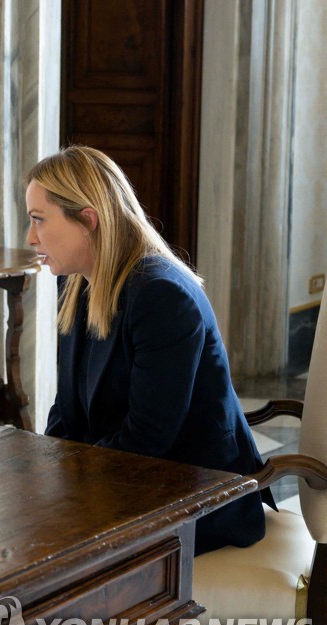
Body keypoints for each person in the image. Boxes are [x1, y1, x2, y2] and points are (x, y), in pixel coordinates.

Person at [25, 145, 271, 555]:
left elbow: (148, 441)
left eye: (38, 220)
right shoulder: (77, 281)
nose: (30, 237)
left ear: (88, 220)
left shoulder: (161, 296)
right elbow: (66, 411)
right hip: (124, 483)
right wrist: (46, 473)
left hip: (197, 496)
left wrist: (65, 489)